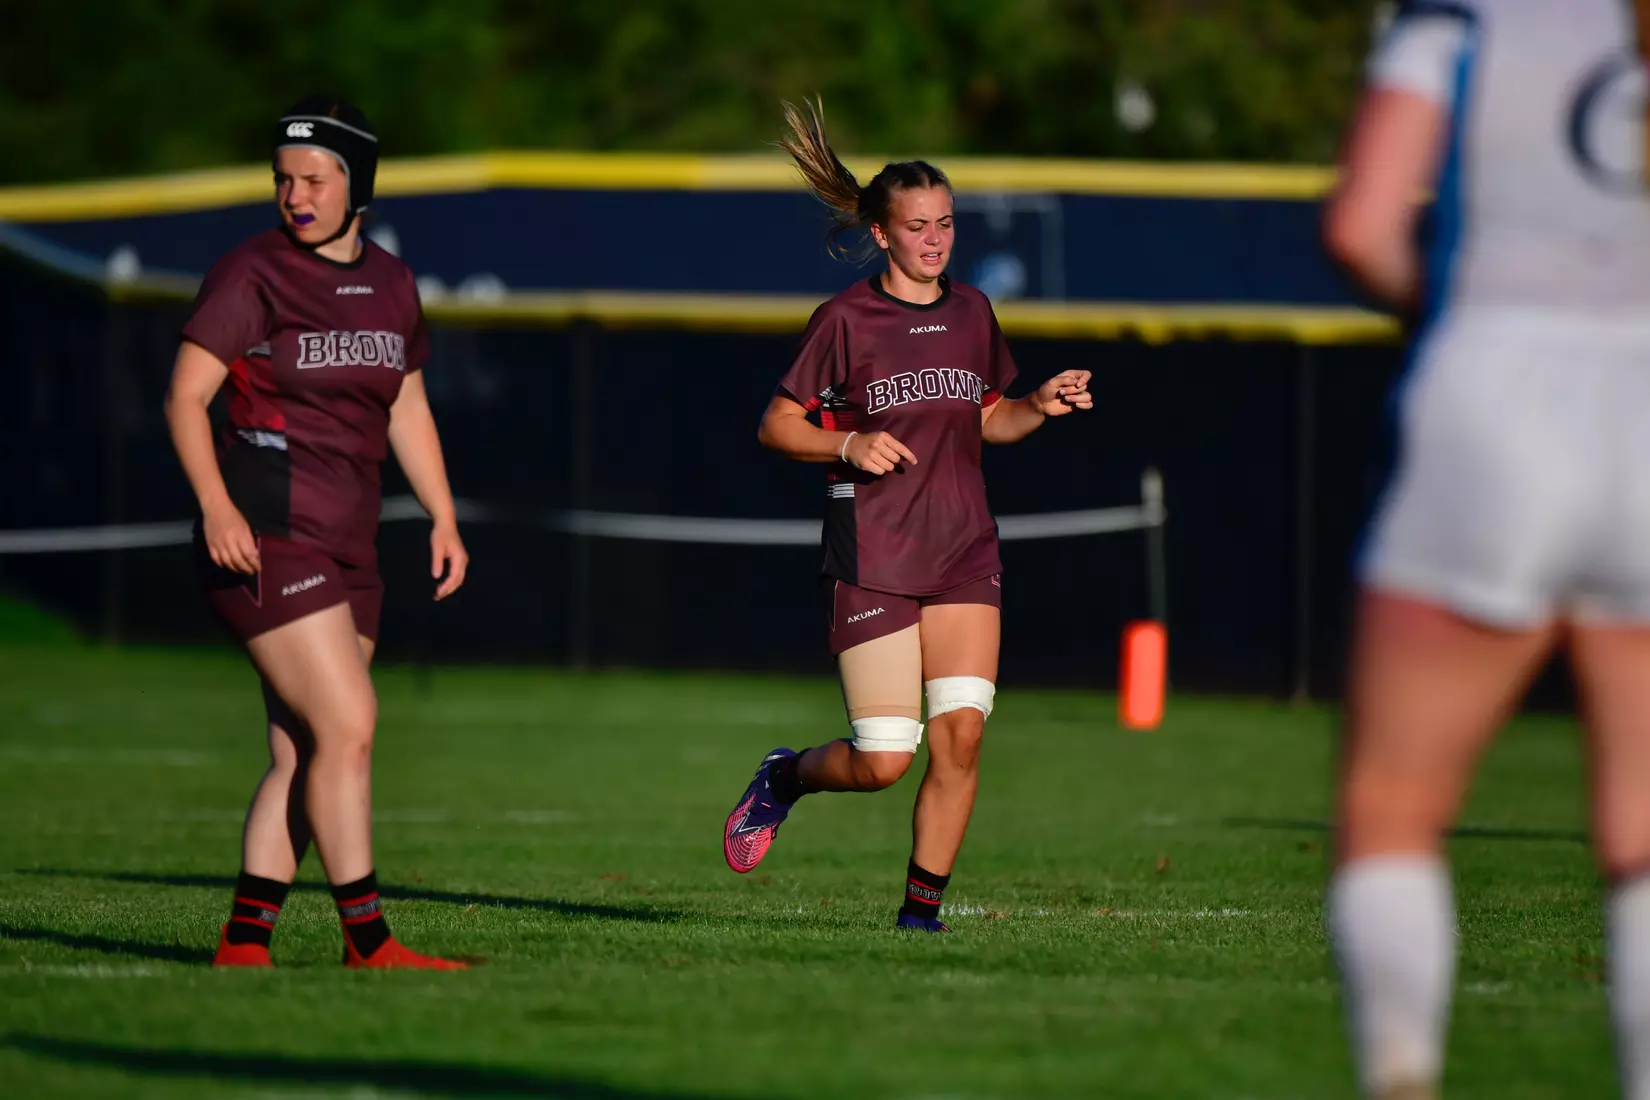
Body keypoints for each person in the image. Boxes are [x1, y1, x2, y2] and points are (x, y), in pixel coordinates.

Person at [1322, 2, 1650, 1095]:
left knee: (1394, 805)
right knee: (1643, 835)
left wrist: (1455, 315)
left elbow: (1363, 226)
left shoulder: (1461, 17)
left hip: (1496, 383)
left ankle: (1405, 1074)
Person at [720, 98, 1093, 932]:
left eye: (947, 224)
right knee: (885, 760)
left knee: (960, 736)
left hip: (964, 552)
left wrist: (1035, 403)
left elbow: (990, 419)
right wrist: (847, 446)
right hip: (875, 557)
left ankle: (918, 920)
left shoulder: (973, 314)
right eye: (918, 226)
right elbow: (777, 425)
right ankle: (785, 779)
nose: (936, 240)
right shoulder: (847, 320)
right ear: (882, 234)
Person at [163, 96, 470, 970]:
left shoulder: (394, 283)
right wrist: (217, 506)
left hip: (351, 545)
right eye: (282, 180)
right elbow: (186, 396)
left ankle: (245, 939)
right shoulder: (251, 272)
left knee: (304, 750)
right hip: (265, 537)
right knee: (350, 725)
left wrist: (443, 514)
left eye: (314, 179)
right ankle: (368, 938)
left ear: (357, 184)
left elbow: (407, 404)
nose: (295, 195)